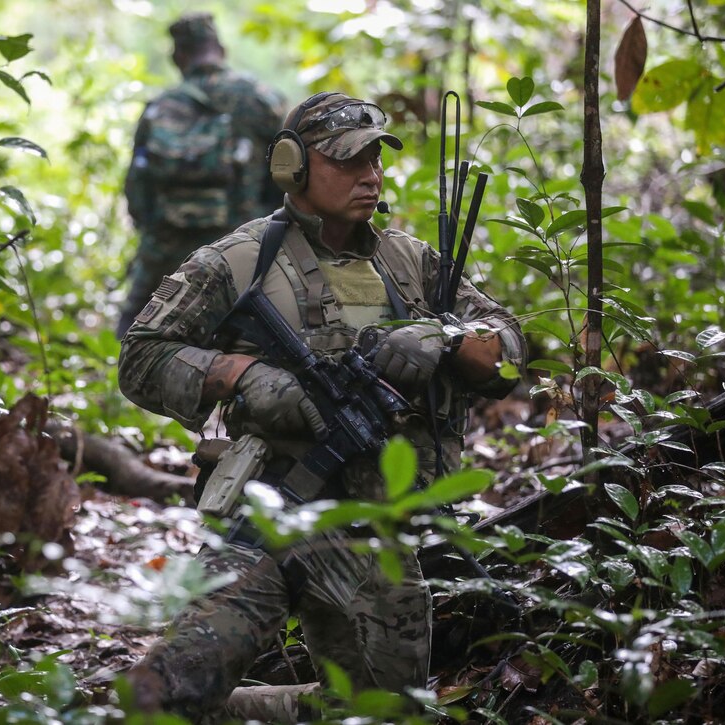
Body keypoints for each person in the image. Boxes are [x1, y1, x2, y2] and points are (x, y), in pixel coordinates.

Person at [118, 91, 527, 721]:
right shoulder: (239, 261)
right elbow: (141, 358)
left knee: (383, 713)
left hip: (377, 539)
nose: (370, 174)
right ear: (293, 166)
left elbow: (507, 349)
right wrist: (243, 373)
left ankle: (246, 712)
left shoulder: (412, 264)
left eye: (376, 158)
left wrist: (441, 338)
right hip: (272, 518)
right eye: (347, 159)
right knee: (168, 692)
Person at [117, 11, 285, 338]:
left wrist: (156, 233)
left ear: (178, 56)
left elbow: (137, 190)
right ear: (221, 49)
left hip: (166, 249)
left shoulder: (160, 107)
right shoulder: (263, 99)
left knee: (138, 332)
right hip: (242, 244)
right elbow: (286, 176)